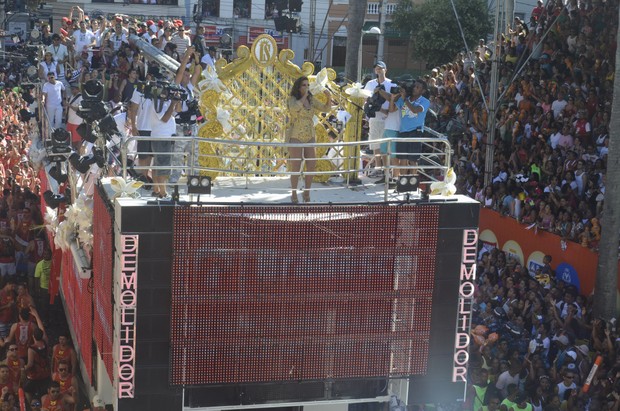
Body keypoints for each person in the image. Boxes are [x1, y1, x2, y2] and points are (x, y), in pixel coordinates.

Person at [285, 76, 333, 203]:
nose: (306, 87)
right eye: (303, 85)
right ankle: (294, 193)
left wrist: (329, 97)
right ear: (298, 87)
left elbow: (326, 109)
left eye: (307, 85)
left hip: (310, 134)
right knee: (296, 165)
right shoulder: (292, 99)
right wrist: (304, 96)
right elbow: (294, 108)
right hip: (296, 133)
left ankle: (307, 192)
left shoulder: (311, 100)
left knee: (311, 164)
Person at [392, 79, 430, 176]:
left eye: (418, 87)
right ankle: (403, 182)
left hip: (415, 132)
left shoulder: (425, 101)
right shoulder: (405, 98)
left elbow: (415, 110)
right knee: (402, 159)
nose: (414, 88)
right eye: (414, 86)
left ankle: (412, 183)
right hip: (403, 131)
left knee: (413, 160)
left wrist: (405, 99)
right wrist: (401, 93)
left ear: (423, 91)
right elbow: (393, 101)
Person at [363, 61, 393, 178]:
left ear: (385, 70)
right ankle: (377, 167)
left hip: (388, 119)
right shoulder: (370, 83)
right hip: (375, 118)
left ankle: (386, 170)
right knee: (375, 144)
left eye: (381, 68)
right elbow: (366, 100)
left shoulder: (391, 84)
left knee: (385, 145)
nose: (378, 70)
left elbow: (393, 99)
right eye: (376, 69)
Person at [66, 82, 83, 150]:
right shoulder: (72, 96)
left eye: (73, 89)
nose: (71, 91)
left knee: (77, 139)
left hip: (77, 122)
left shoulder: (81, 97)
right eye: (71, 89)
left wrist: (69, 105)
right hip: (70, 121)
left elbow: (78, 109)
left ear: (77, 89)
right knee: (70, 139)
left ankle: (79, 154)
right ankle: (72, 153)